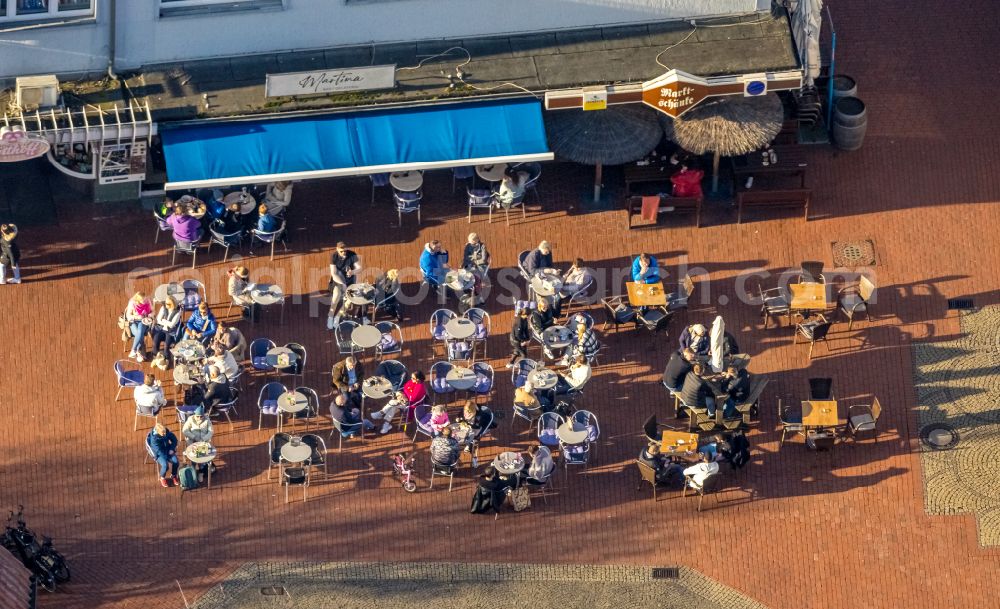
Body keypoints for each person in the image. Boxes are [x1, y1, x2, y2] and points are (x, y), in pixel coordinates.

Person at [327, 241, 361, 329]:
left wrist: (352, 272)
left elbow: (359, 268)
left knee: (350, 299)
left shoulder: (352, 254)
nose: (343, 253)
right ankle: (330, 317)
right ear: (337, 249)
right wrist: (343, 284)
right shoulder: (334, 256)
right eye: (341, 251)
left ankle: (337, 317)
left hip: (350, 281)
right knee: (336, 296)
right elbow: (334, 274)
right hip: (338, 281)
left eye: (345, 251)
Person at [150, 297, 181, 369]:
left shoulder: (178, 311)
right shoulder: (163, 308)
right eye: (166, 303)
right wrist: (165, 322)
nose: (166, 305)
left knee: (166, 346)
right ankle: (155, 357)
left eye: (168, 304)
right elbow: (158, 319)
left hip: (170, 331)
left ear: (172, 304)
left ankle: (167, 359)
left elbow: (172, 324)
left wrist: (163, 321)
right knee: (155, 341)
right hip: (161, 328)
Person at [124, 292, 154, 361]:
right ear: (137, 300)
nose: (144, 301)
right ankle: (139, 352)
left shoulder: (147, 300)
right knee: (139, 334)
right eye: (142, 300)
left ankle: (133, 350)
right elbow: (128, 316)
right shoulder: (132, 303)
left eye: (145, 299)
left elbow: (153, 312)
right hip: (133, 321)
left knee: (140, 332)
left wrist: (149, 315)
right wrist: (137, 317)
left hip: (144, 321)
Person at [148, 423, 180, 488]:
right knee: (165, 465)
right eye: (163, 434)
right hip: (159, 454)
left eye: (165, 432)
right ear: (158, 432)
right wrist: (167, 457)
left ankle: (173, 475)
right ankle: (162, 478)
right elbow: (158, 451)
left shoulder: (166, 432)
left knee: (176, 462)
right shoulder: (154, 439)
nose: (165, 434)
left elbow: (174, 440)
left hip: (168, 450)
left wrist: (172, 449)